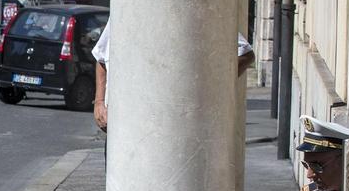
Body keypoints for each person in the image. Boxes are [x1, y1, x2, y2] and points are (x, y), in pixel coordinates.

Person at [92, 22, 256, 131]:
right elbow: (102, 57)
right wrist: (99, 102)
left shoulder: (196, 8)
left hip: (176, 131)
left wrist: (204, 90)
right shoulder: (126, 5)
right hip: (123, 129)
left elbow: (244, 54)